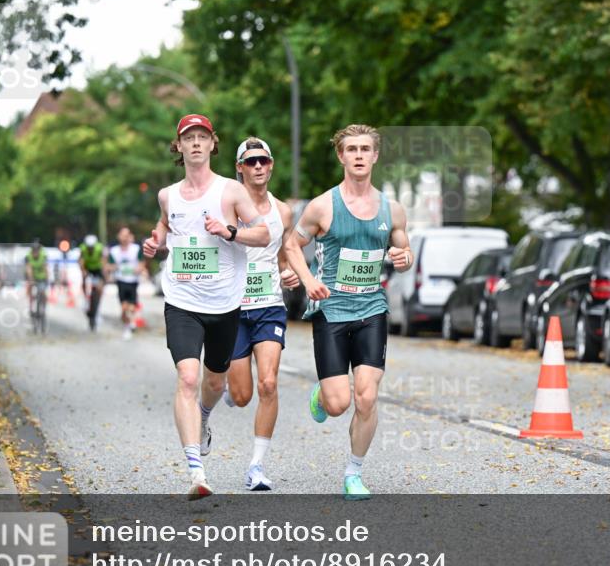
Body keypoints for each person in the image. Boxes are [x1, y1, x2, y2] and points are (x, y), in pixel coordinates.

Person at [142, 113, 270, 500]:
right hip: (181, 301)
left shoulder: (231, 191)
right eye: (188, 138)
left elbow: (263, 233)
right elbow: (165, 225)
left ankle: (205, 416)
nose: (195, 143)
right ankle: (196, 469)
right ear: (178, 147)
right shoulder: (168, 194)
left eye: (202, 137)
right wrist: (156, 243)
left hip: (225, 303)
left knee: (215, 382)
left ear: (213, 144)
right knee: (186, 378)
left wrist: (229, 231)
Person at [284, 124, 413, 501]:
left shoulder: (393, 210)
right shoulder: (323, 206)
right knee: (339, 403)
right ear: (341, 156)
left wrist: (403, 259)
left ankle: (353, 473)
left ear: (375, 156)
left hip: (372, 308)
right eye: (351, 149)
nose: (358, 155)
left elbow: (403, 256)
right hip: (331, 311)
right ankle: (323, 396)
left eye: (365, 149)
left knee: (367, 397)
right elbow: (293, 245)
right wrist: (308, 280)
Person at [218, 137, 301, 491]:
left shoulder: (283, 212)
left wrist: (290, 272)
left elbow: (285, 254)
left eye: (263, 161)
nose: (257, 167)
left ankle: (256, 466)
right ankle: (222, 384)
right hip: (234, 309)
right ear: (239, 168)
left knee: (268, 383)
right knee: (242, 396)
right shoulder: (227, 207)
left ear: (271, 165)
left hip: (269, 306)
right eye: (250, 162)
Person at [107, 226, 146, 340]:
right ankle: (128, 326)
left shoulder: (136, 249)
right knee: (124, 308)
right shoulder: (114, 251)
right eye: (122, 235)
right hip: (121, 281)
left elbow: (142, 263)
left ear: (130, 237)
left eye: (126, 235)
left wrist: (139, 269)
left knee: (132, 307)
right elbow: (109, 265)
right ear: (118, 237)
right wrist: (113, 268)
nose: (124, 238)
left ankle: (130, 323)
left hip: (133, 281)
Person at [79, 233, 107, 327]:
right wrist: (83, 271)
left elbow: (103, 260)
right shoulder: (83, 248)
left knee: (100, 288)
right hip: (88, 268)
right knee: (83, 281)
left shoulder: (99, 248)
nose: (90, 249)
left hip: (97, 269)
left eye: (91, 247)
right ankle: (86, 299)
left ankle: (97, 308)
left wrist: (103, 271)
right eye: (88, 247)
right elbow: (81, 261)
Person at [24, 239, 49, 316]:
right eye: (34, 251)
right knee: (30, 288)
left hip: (41, 276)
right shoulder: (28, 256)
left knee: (43, 292)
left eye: (37, 250)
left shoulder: (43, 255)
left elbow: (46, 268)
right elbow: (28, 269)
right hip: (31, 275)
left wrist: (47, 278)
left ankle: (43, 308)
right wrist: (31, 279)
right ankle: (31, 307)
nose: (35, 252)